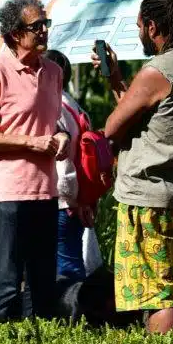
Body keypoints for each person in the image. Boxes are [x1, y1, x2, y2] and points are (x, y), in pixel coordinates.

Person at [94, 0, 173, 333]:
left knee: (158, 295)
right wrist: (116, 80)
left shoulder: (157, 71)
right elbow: (148, 116)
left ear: (151, 27)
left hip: (148, 200)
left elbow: (113, 127)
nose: (139, 34)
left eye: (138, 27)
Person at [0, 0, 69, 320]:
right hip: (10, 194)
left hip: (47, 192)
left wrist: (62, 137)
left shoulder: (54, 72)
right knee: (9, 282)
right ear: (14, 34)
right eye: (36, 26)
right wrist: (29, 143)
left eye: (45, 23)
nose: (44, 30)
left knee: (43, 285)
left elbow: (52, 124)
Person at [45, 49, 103, 282]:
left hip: (62, 199)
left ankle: (70, 307)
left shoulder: (53, 106)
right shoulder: (76, 107)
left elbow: (62, 160)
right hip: (77, 197)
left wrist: (70, 200)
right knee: (71, 261)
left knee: (64, 269)